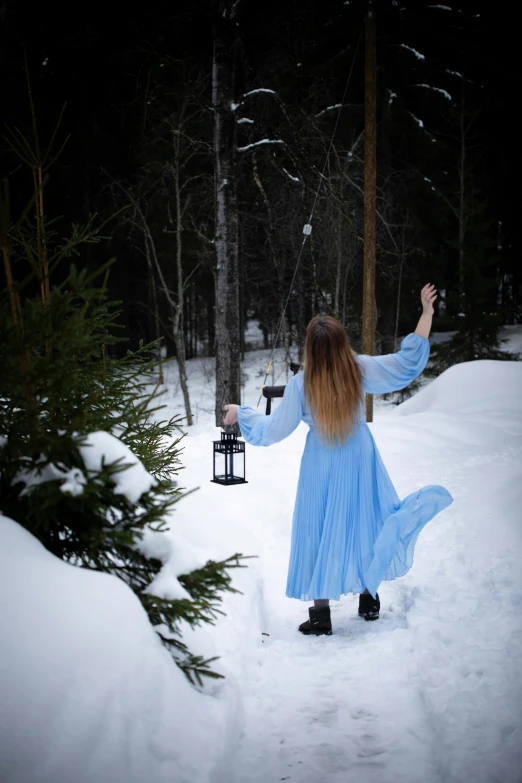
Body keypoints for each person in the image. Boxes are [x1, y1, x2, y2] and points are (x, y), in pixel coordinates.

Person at [223, 284, 453, 636]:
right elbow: (405, 365)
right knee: (363, 521)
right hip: (359, 455)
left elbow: (272, 430)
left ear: (311, 349)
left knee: (315, 527)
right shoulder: (358, 368)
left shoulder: (302, 383)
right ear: (342, 342)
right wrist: (425, 314)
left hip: (321, 460)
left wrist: (243, 413)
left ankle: (321, 618)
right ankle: (369, 599)